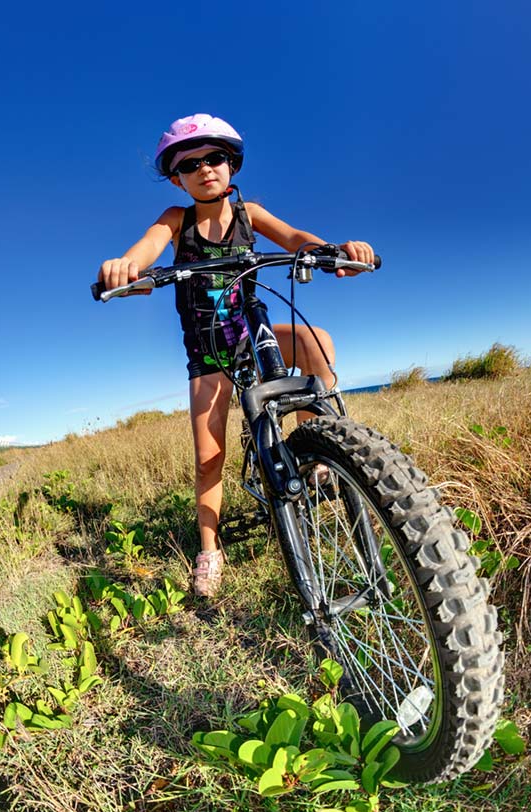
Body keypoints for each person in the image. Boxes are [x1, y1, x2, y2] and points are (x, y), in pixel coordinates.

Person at [98, 113, 374, 598]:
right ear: (176, 177)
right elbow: (145, 250)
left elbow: (294, 239)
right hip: (208, 350)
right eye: (191, 163)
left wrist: (332, 252)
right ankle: (209, 549)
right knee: (210, 459)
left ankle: (318, 451)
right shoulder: (175, 220)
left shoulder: (251, 213)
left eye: (216, 158)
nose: (206, 168)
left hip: (254, 330)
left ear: (232, 165)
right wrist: (127, 267)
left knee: (317, 342)